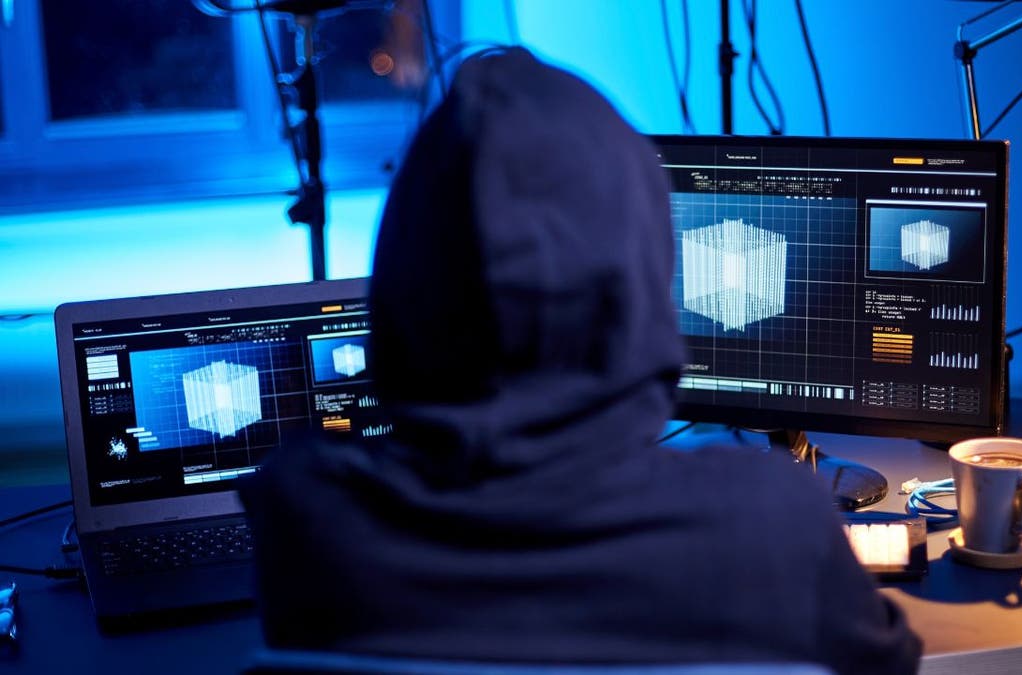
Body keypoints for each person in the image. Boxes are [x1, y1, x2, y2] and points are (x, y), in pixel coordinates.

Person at [239, 47, 921, 674]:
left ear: (403, 283)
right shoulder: (775, 522)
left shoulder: (306, 515)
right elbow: (890, 658)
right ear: (641, 282)